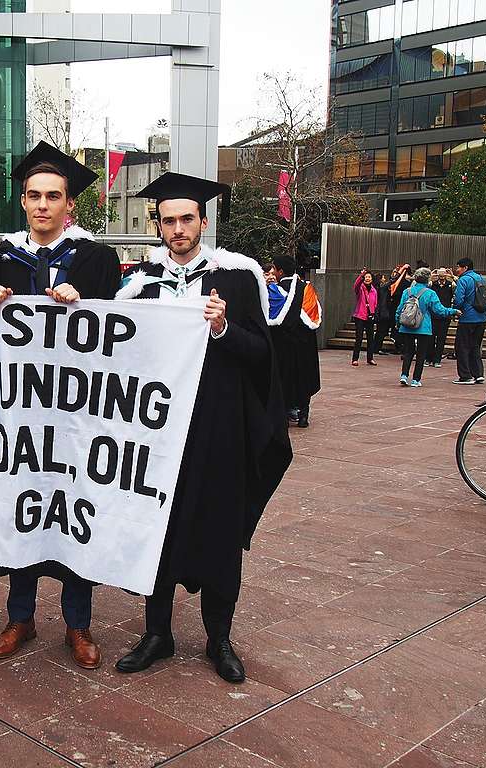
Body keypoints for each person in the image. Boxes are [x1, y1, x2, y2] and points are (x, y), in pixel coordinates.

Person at [111, 172, 291, 682]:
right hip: (160, 434)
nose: (177, 229)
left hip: (219, 432)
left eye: (187, 219)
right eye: (168, 221)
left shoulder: (237, 277)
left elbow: (263, 356)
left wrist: (224, 329)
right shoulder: (140, 287)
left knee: (218, 531)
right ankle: (157, 634)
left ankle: (220, 638)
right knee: (158, 531)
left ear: (203, 222)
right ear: (159, 226)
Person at [0, 141, 121, 670]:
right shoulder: (0, 258)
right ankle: (21, 616)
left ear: (69, 206)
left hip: (78, 413)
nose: (42, 205)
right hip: (19, 412)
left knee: (75, 506)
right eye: (33, 195)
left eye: (52, 196)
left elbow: (118, 334)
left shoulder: (98, 259)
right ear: (22, 202)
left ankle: (78, 624)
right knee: (23, 502)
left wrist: (86, 304)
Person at [268, 255, 322, 428]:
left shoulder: (274, 292)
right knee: (305, 376)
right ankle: (304, 415)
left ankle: (283, 416)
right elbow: (314, 317)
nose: (273, 272)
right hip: (305, 344)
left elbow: (270, 318)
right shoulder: (307, 289)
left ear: (280, 271)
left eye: (274, 269)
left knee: (283, 378)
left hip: (283, 344)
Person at [396, 267, 460, 388]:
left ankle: (404, 375)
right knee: (421, 353)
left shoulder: (407, 292)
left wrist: (398, 322)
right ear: (427, 279)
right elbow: (439, 310)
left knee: (408, 352)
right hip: (423, 327)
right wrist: (453, 311)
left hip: (407, 326)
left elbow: (399, 309)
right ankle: (416, 379)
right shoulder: (430, 293)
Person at [452, 257, 486, 385]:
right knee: (475, 346)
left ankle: (465, 375)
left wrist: (455, 310)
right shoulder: (481, 278)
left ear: (465, 267)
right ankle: (478, 374)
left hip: (467, 318)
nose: (456, 270)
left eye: (458, 267)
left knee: (461, 346)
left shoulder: (464, 280)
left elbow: (459, 300)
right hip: (481, 317)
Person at [427, 269, 456, 367]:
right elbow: (425, 287)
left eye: (444, 276)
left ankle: (437, 360)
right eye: (440, 276)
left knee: (441, 339)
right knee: (430, 338)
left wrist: (453, 277)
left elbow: (459, 288)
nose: (442, 278)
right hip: (433, 315)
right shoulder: (432, 285)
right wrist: (430, 276)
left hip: (445, 315)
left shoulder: (450, 285)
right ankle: (429, 358)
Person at [350, 269, 378, 367]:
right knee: (359, 338)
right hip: (360, 316)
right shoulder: (360, 288)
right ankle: (355, 359)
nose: (367, 278)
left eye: (369, 277)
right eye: (366, 277)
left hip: (370, 316)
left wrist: (373, 313)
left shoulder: (374, 290)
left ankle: (370, 358)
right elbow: (356, 285)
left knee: (371, 338)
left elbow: (375, 303)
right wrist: (361, 275)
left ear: (372, 279)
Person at [373, 272, 393, 356]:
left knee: (379, 332)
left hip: (380, 313)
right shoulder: (382, 287)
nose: (385, 279)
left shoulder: (377, 288)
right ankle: (377, 348)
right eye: (383, 278)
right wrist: (401, 272)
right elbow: (392, 281)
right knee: (380, 332)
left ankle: (376, 348)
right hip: (383, 313)